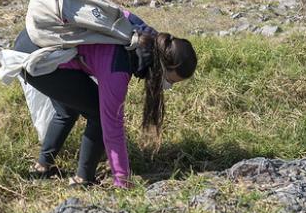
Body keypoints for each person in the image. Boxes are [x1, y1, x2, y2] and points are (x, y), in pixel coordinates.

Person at [14, 10, 197, 188]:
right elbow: (112, 127)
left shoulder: (141, 32)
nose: (167, 86)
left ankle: (43, 167)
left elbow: (118, 11)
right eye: (169, 80)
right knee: (98, 115)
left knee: (68, 109)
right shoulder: (118, 66)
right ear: (162, 67)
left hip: (31, 37)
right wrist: (122, 180)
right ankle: (83, 179)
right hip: (37, 57)